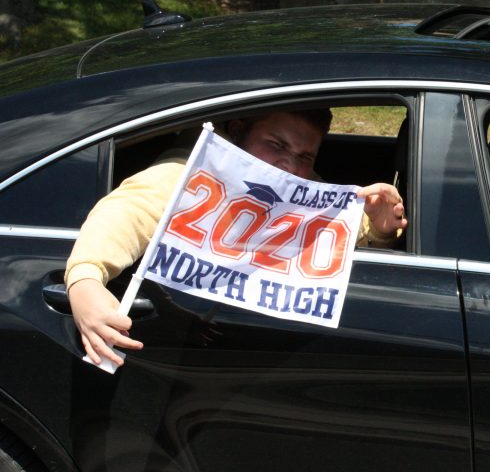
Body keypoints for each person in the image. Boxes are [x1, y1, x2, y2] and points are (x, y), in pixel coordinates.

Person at [66, 109, 408, 366]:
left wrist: (379, 230)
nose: (288, 165)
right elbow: (129, 211)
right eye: (276, 145)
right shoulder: (191, 172)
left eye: (305, 156)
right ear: (238, 130)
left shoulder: (299, 184)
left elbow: (337, 232)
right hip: (174, 352)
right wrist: (85, 280)